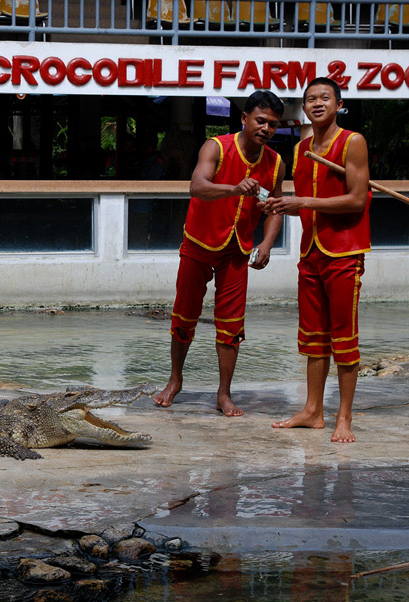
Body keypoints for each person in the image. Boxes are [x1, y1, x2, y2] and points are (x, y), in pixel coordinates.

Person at [154, 91, 286, 416]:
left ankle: (223, 394)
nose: (266, 128)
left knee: (231, 325)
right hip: (198, 243)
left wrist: (266, 244)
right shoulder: (217, 146)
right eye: (260, 120)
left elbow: (276, 208)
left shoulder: (276, 162)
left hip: (237, 250)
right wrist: (233, 188)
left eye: (272, 124)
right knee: (184, 314)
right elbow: (196, 185)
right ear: (244, 118)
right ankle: (175, 380)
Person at [265, 77, 372, 443]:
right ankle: (312, 411)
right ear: (304, 107)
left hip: (343, 251)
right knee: (312, 338)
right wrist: (284, 206)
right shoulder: (302, 147)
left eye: (325, 97)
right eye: (311, 99)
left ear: (339, 104)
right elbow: (308, 200)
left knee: (344, 336)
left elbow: (357, 199)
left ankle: (344, 416)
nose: (317, 103)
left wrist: (303, 203)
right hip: (311, 252)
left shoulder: (352, 142)